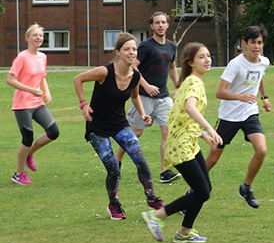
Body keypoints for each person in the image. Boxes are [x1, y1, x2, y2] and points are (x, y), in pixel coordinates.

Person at [73, 32, 163, 220]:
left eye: (134, 49)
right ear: (118, 52)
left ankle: (151, 197)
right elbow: (78, 79)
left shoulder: (135, 75)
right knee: (113, 168)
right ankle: (113, 204)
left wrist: (143, 113)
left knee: (140, 159)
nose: (132, 52)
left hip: (120, 124)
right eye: (127, 49)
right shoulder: (104, 72)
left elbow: (135, 96)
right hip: (97, 128)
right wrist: (83, 105)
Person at [141, 42, 222, 243]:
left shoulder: (186, 82)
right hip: (181, 148)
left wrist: (202, 134)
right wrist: (211, 128)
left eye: (208, 55)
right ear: (191, 62)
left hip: (188, 144)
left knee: (203, 190)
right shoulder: (194, 83)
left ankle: (184, 232)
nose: (207, 59)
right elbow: (190, 108)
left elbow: (178, 115)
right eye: (202, 57)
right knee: (202, 191)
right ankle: (157, 216)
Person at [205, 25, 271, 209]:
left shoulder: (264, 62)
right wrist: (240, 96)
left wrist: (264, 98)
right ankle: (194, 191)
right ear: (244, 44)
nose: (256, 46)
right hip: (228, 116)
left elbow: (259, 77)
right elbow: (220, 92)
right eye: (252, 42)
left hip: (249, 114)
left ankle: (246, 188)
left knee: (261, 150)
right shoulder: (235, 64)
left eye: (259, 43)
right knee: (213, 158)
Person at [115, 12, 181, 183]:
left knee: (168, 131)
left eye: (163, 22)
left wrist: (178, 86)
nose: (160, 25)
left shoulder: (172, 47)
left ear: (167, 25)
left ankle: (165, 171)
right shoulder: (145, 46)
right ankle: (116, 162)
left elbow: (172, 67)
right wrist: (145, 85)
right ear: (151, 26)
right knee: (136, 132)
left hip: (164, 97)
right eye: (157, 23)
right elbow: (133, 67)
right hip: (143, 96)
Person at [7, 24, 60, 185]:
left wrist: (47, 91)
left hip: (37, 103)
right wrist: (31, 89)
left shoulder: (42, 57)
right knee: (27, 138)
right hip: (22, 104)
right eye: (35, 35)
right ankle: (19, 174)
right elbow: (10, 80)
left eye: (40, 36)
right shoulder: (22, 57)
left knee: (53, 132)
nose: (38, 38)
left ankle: (29, 154)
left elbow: (42, 76)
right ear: (28, 38)